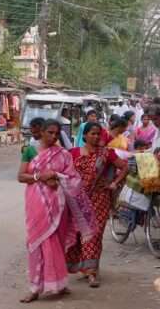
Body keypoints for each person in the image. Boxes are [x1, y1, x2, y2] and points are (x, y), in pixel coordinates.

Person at [16, 119, 94, 303]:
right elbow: (21, 176)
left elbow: (73, 179)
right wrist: (40, 176)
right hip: (36, 204)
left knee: (57, 245)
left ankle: (59, 283)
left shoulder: (63, 154)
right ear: (41, 132)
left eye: (56, 133)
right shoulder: (30, 150)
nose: (53, 136)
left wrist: (57, 178)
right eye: (50, 132)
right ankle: (35, 288)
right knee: (36, 244)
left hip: (59, 205)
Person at [66, 122, 128, 287]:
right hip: (78, 201)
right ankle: (84, 269)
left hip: (100, 199)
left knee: (94, 234)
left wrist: (114, 183)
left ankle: (93, 272)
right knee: (79, 235)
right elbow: (64, 174)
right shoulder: (73, 153)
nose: (95, 137)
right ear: (84, 135)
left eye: (98, 134)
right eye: (92, 134)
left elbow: (125, 167)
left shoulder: (107, 154)